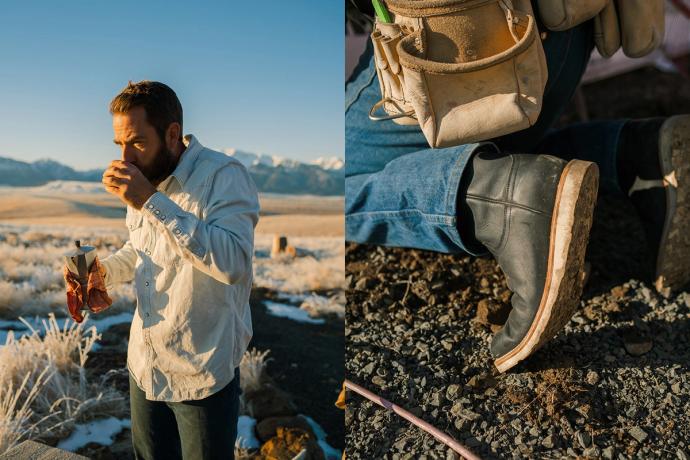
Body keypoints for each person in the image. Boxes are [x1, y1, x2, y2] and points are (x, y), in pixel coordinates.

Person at [345, 2, 690, 372]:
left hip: (458, 41)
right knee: (504, 143)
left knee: (342, 181)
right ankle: (638, 153)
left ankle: (500, 199)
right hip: (568, 29)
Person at [66, 80, 260, 459]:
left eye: (137, 142)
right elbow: (140, 251)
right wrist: (100, 272)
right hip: (146, 366)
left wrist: (151, 201)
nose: (125, 158)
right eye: (119, 145)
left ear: (172, 134)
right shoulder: (145, 180)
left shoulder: (224, 175)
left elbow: (233, 262)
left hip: (202, 373)